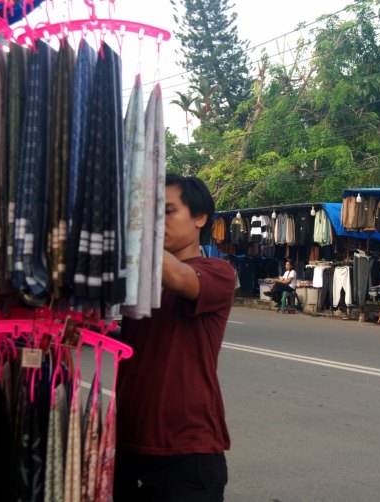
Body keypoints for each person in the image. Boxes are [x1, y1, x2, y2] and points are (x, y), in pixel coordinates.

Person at [114, 174, 235, 501]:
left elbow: (177, 275)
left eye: (166, 212)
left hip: (187, 454)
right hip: (123, 445)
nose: (156, 222)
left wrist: (128, 223)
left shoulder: (217, 273)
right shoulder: (134, 276)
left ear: (200, 218)